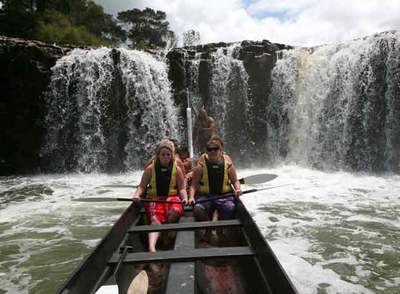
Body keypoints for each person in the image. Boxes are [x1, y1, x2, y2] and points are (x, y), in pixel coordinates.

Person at [133, 139, 188, 252]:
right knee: (155, 220)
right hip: (155, 198)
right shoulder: (150, 169)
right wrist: (137, 195)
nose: (165, 157)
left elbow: (182, 188)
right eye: (163, 154)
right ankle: (152, 247)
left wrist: (185, 198)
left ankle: (166, 231)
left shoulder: (176, 169)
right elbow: (142, 186)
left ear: (171, 155)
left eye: (168, 154)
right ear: (158, 155)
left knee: (175, 210)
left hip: (171, 198)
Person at [188, 136, 241, 243]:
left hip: (223, 196)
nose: (213, 151)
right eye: (210, 149)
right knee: (198, 208)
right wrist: (191, 197)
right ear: (206, 151)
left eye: (215, 149)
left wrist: (238, 189)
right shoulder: (200, 166)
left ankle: (219, 229)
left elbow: (235, 180)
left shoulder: (228, 164)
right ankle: (208, 229)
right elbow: (193, 185)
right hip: (206, 196)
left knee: (230, 208)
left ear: (220, 150)